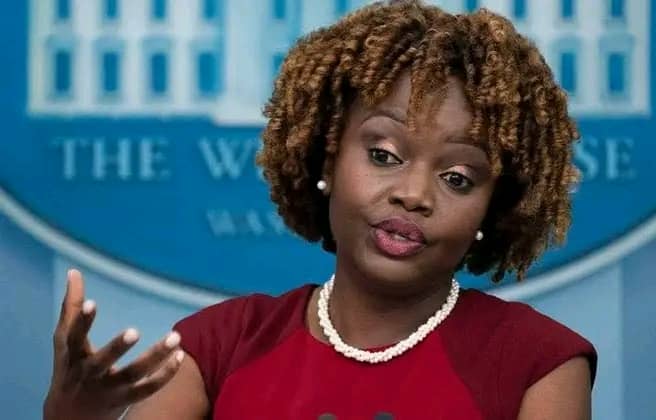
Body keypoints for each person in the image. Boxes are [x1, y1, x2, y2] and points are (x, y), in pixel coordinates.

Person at [43, 1, 597, 419]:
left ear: (492, 209)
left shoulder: (538, 363)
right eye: (383, 155)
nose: (413, 194)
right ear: (326, 157)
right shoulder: (217, 347)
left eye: (457, 178)